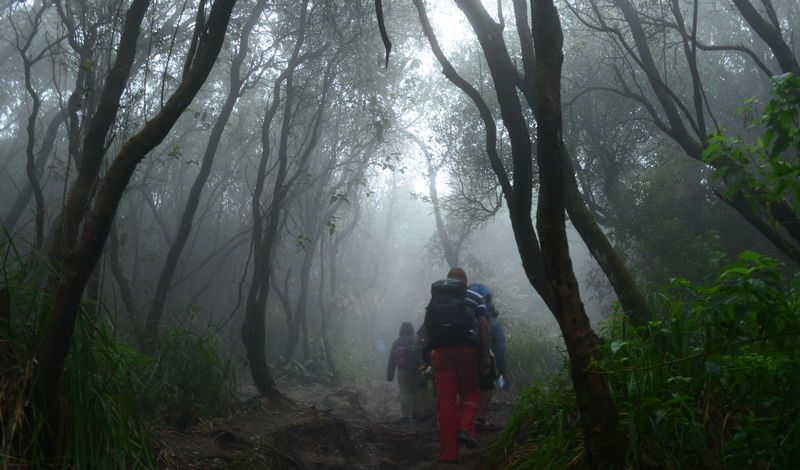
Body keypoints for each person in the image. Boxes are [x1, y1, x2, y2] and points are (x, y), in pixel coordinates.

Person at [423, 267, 491, 464]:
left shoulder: (436, 298)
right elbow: (484, 325)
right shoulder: (475, 296)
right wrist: (485, 354)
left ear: (448, 280)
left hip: (441, 353)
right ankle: (465, 429)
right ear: (465, 282)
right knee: (470, 393)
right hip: (467, 351)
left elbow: (428, 328)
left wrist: (427, 356)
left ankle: (448, 454)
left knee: (446, 401)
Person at [469, 283, 508, 430]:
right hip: (483, 358)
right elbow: (499, 349)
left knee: (467, 388)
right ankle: (479, 419)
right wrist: (502, 371)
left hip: (463, 358)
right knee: (486, 388)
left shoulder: (463, 317)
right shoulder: (492, 322)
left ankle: (464, 419)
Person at [386, 321, 422, 421]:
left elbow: (392, 360)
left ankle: (405, 416)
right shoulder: (417, 340)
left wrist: (390, 376)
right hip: (417, 370)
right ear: (412, 329)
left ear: (401, 330)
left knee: (404, 392)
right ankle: (414, 415)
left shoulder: (397, 342)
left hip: (402, 371)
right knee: (414, 392)